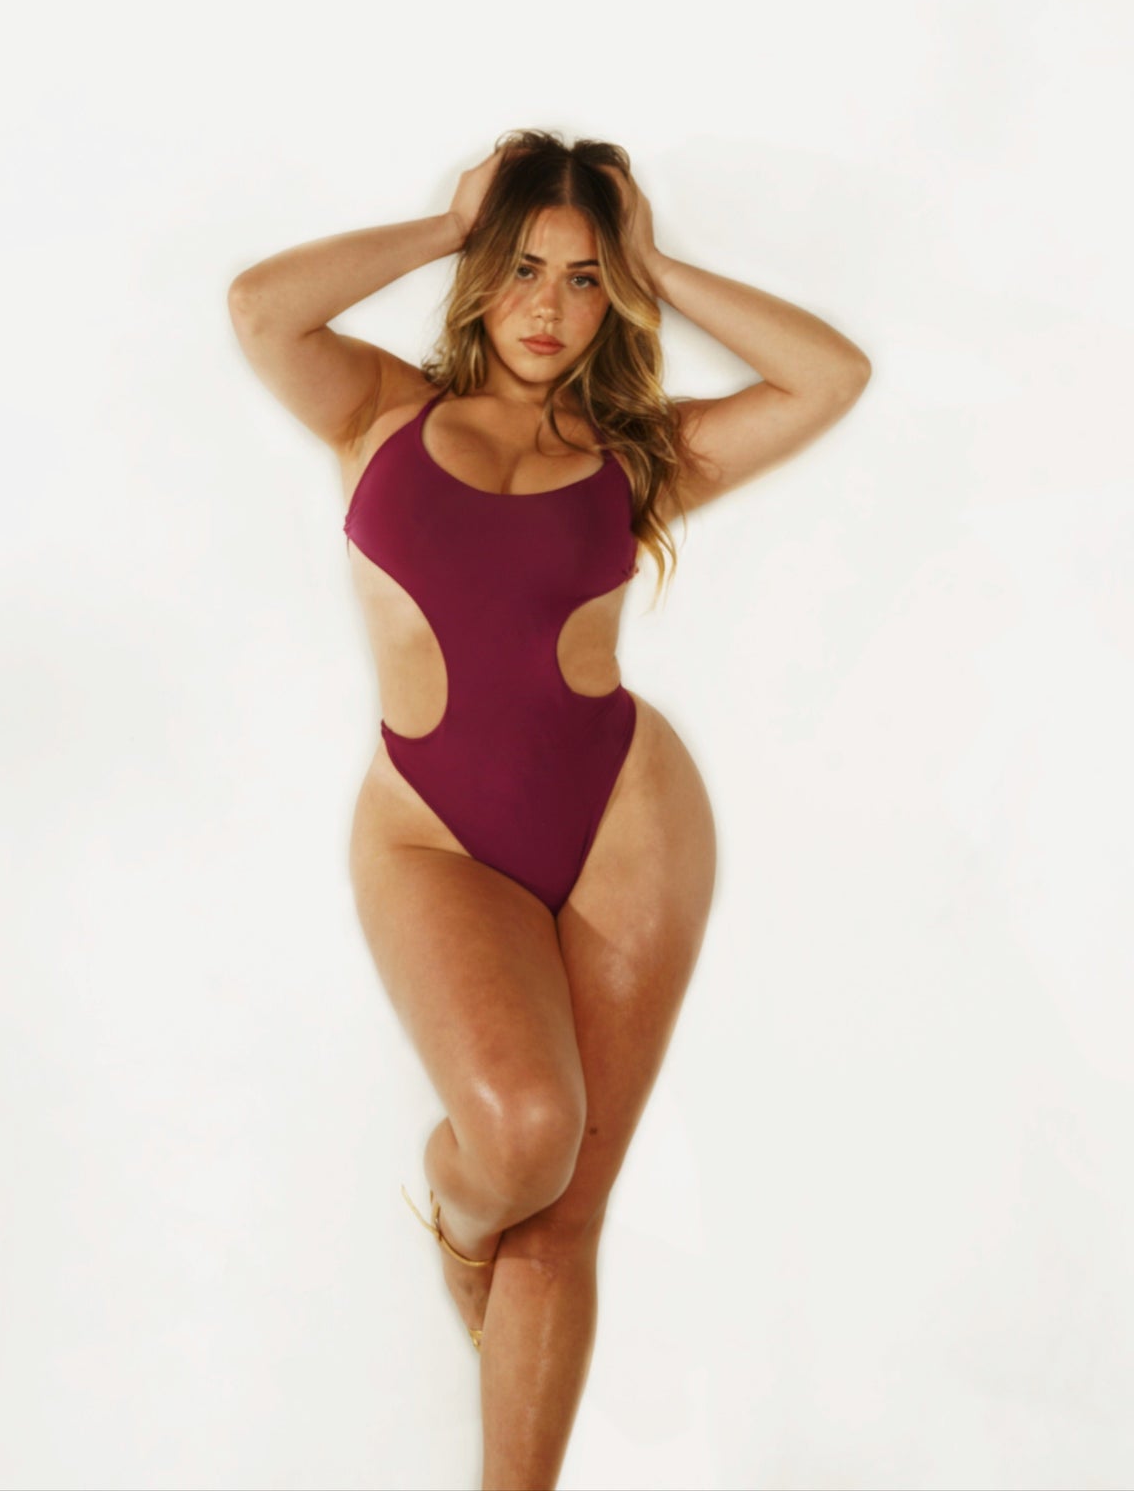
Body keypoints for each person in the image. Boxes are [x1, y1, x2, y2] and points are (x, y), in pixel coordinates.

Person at [227, 129, 871, 1487]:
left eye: (583, 281)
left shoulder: (638, 455)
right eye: (524, 267)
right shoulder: (377, 411)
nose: (549, 307)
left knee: (568, 1213)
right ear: (481, 272)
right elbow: (260, 307)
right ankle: (462, 1218)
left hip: (627, 812)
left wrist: (654, 261)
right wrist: (442, 224)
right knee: (522, 1141)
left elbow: (831, 376)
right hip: (432, 827)